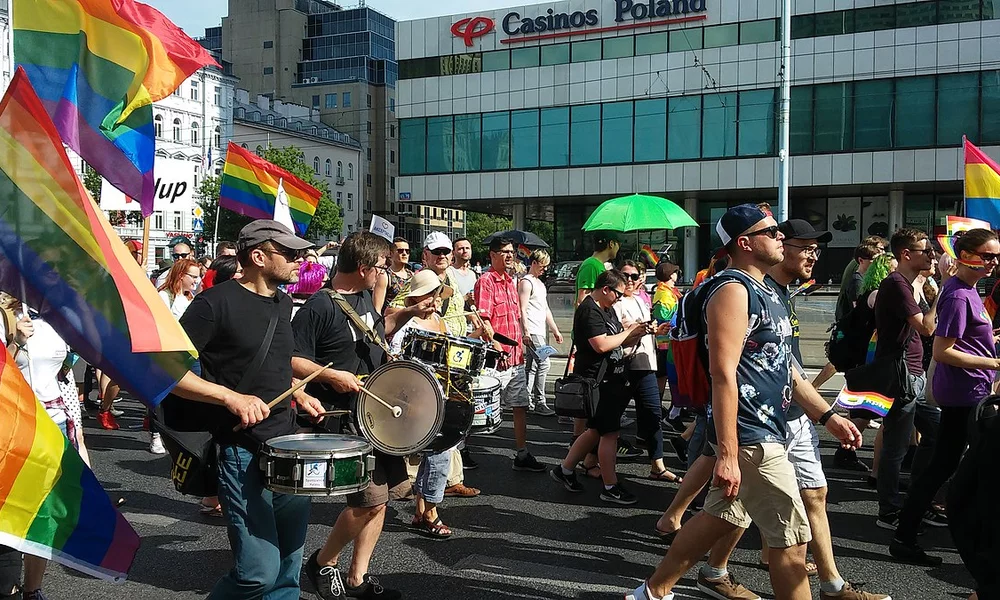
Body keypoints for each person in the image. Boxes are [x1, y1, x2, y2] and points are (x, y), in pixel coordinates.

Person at [626, 204, 861, 600]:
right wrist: (729, 454)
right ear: (745, 243)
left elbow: (785, 368)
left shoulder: (769, 291)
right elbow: (723, 373)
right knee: (791, 540)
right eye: (772, 231)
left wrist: (827, 415)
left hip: (766, 428)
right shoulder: (734, 290)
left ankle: (651, 593)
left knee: (721, 515)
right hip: (752, 433)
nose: (781, 236)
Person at [170, 219, 328, 599]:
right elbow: (166, 373)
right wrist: (230, 397)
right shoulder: (213, 304)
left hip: (289, 446)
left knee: (288, 570)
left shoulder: (283, 301)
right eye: (289, 253)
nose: (300, 260)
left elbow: (273, 362)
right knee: (257, 573)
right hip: (242, 450)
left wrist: (297, 392)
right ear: (258, 256)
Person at [293, 232, 435, 600]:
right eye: (381, 268)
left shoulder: (362, 300)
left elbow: (374, 332)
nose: (384, 274)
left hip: (378, 416)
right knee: (367, 502)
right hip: (347, 420)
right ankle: (323, 562)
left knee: (382, 500)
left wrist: (406, 314)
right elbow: (292, 359)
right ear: (363, 268)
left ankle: (357, 578)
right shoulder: (319, 306)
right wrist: (330, 375)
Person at [761, 220, 888, 600]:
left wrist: (819, 413)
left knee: (815, 494)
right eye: (806, 247)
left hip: (795, 415)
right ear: (780, 246)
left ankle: (833, 585)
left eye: (817, 248)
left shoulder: (785, 292)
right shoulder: (753, 292)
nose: (814, 255)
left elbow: (791, 366)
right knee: (731, 510)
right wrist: (828, 415)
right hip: (762, 418)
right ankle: (684, 578)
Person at [890, 229, 999, 566]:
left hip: (973, 392)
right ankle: (912, 534)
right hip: (965, 395)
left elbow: (967, 340)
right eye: (986, 255)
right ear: (965, 255)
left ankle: (909, 532)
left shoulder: (968, 290)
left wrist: (991, 339)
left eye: (996, 256)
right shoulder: (957, 295)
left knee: (949, 465)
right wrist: (994, 360)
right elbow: (944, 351)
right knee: (958, 466)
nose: (993, 262)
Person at [550, 269, 652, 504]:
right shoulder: (589, 310)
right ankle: (610, 485)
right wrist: (628, 331)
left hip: (609, 377)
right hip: (597, 381)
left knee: (595, 430)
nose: (619, 298)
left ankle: (564, 470)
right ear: (605, 289)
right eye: (617, 293)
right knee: (610, 434)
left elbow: (617, 340)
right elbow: (601, 345)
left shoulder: (606, 309)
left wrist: (638, 332)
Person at [873, 228, 941, 531]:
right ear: (906, 254)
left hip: (912, 372)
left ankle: (917, 500)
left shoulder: (911, 283)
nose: (932, 255)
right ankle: (888, 509)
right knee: (896, 446)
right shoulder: (897, 284)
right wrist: (947, 288)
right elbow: (926, 328)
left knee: (936, 434)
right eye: (925, 251)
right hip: (901, 374)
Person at [388, 269, 460, 539]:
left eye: (438, 294)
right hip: (414, 397)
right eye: (432, 294)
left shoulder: (441, 322)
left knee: (436, 453)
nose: (436, 299)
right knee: (440, 452)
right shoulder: (408, 324)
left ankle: (422, 509)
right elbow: (394, 358)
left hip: (441, 394)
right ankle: (431, 512)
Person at [475, 237, 547, 472]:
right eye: (504, 252)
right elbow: (484, 318)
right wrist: (496, 344)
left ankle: (522, 453)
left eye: (511, 252)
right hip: (495, 358)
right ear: (492, 255)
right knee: (479, 408)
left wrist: (524, 337)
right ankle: (460, 449)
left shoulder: (510, 281)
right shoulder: (486, 281)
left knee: (519, 405)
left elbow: (516, 315)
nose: (509, 256)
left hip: (515, 356)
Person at [614, 260, 682, 484]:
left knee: (653, 413)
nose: (631, 281)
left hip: (646, 363)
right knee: (608, 418)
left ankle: (658, 465)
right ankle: (585, 460)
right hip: (625, 364)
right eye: (626, 276)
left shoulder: (640, 301)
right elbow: (616, 336)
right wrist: (640, 330)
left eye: (635, 276)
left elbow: (649, 329)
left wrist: (657, 331)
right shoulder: (616, 303)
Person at [814, 239, 886, 393]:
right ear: (862, 260)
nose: (878, 262)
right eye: (875, 258)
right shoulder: (857, 280)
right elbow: (859, 309)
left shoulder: (864, 278)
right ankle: (814, 388)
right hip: (852, 332)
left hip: (854, 331)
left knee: (845, 365)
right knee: (843, 364)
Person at [519, 249, 563, 416]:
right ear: (534, 263)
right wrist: (526, 331)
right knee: (544, 363)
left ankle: (527, 399)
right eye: (542, 266)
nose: (544, 269)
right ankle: (539, 401)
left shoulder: (539, 284)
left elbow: (545, 309)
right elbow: (522, 308)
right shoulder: (526, 282)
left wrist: (555, 330)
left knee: (532, 366)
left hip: (538, 329)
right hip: (532, 330)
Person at [373, 237, 412, 312]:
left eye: (407, 251)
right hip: (390, 320)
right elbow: (377, 308)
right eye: (400, 251)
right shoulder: (385, 275)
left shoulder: (412, 276)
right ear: (391, 254)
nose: (404, 253)